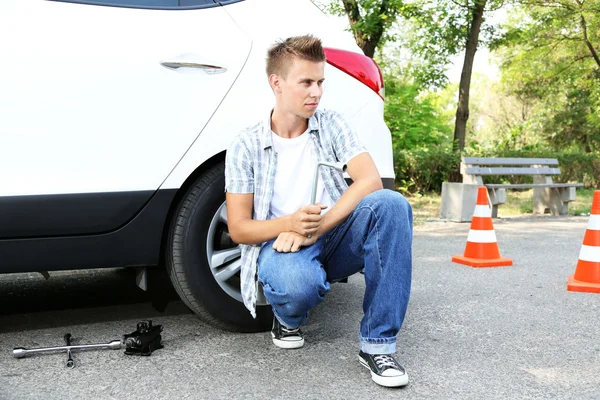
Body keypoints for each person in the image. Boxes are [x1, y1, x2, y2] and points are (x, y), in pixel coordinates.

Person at [224, 34, 413, 388]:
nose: (316, 92)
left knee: (392, 205)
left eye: (321, 82)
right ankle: (288, 317)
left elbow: (370, 180)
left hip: (333, 232)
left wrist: (317, 226)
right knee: (297, 285)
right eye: (306, 82)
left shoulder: (332, 123)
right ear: (276, 83)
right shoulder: (245, 145)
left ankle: (377, 344)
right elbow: (239, 228)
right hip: (282, 244)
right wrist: (291, 224)